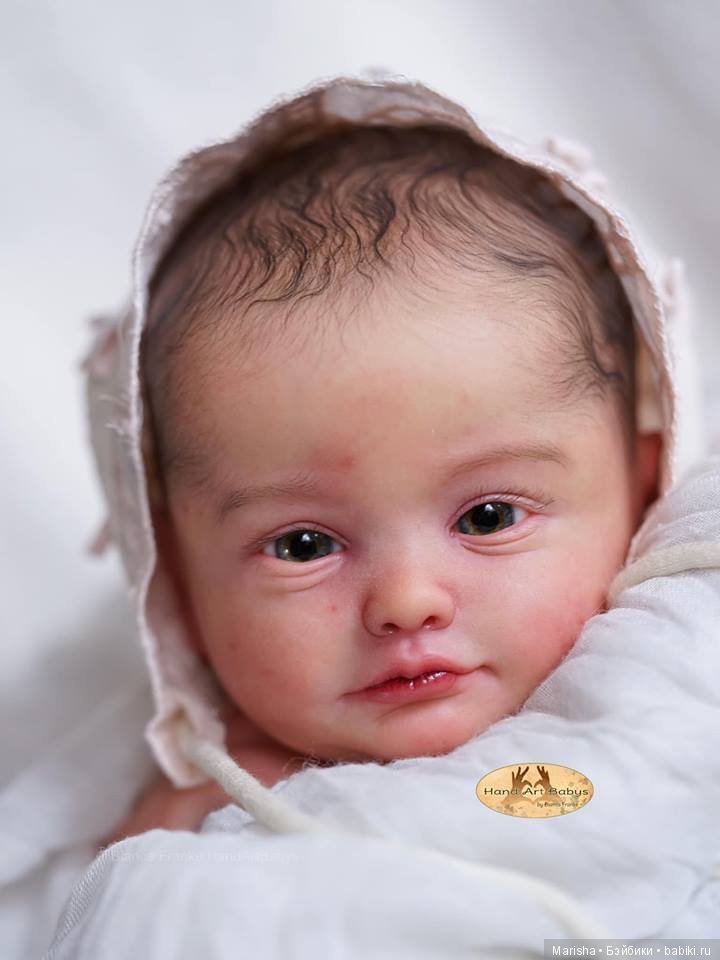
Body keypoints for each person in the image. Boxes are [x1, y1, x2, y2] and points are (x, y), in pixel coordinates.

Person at [28, 77, 720, 955]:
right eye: (303, 544)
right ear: (175, 587)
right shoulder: (183, 805)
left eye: (488, 516)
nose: (406, 600)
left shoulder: (673, 680)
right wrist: (134, 866)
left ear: (641, 487)